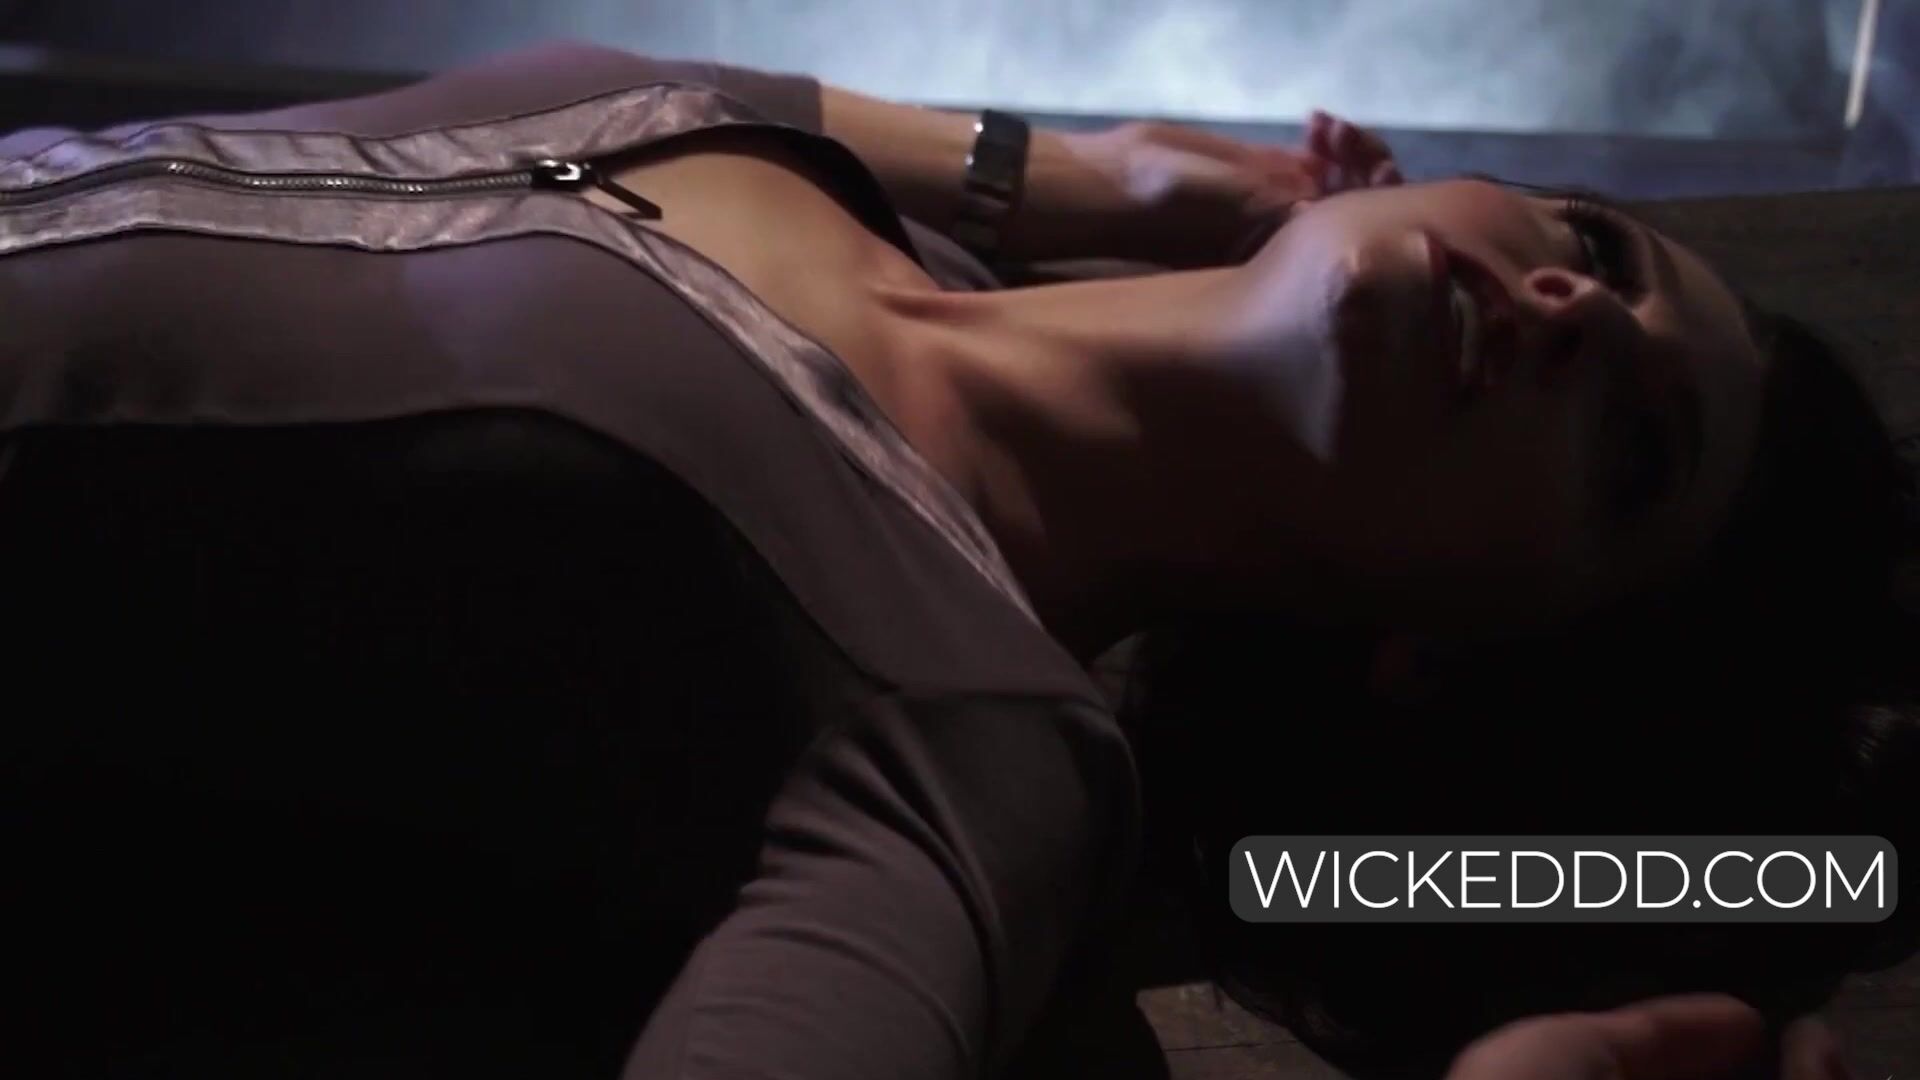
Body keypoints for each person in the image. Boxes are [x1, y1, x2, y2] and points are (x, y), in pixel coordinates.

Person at [0, 37, 1909, 1080]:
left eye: (1635, 450)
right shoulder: (845, 189)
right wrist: (1122, 178)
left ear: (1457, 654)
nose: (1577, 311)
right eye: (1600, 247)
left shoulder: (973, 751)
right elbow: (701, 96)